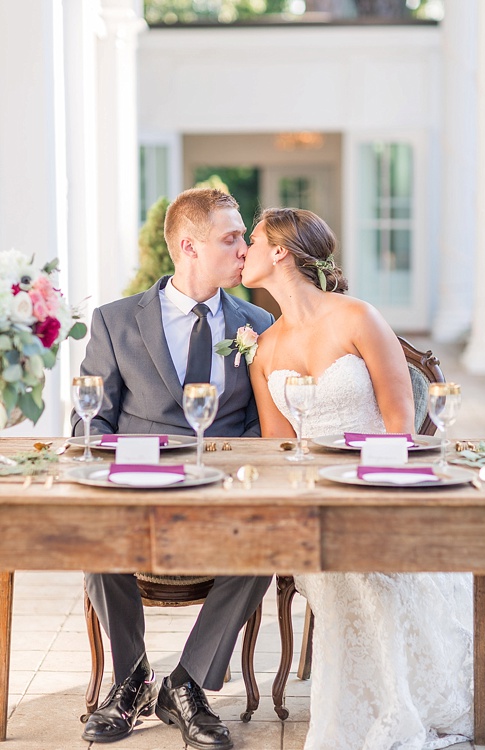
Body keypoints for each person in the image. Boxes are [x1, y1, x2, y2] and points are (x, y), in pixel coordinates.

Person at [242, 207, 485, 750]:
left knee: (379, 568)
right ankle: (383, 708)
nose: (244, 249)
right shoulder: (264, 349)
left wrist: (377, 496)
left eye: (253, 239)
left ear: (281, 252)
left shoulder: (358, 317)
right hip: (314, 509)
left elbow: (400, 419)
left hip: (381, 488)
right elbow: (278, 448)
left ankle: (420, 701)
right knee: (344, 574)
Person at [71, 188, 274, 749]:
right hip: (138, 495)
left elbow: (263, 424)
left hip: (224, 498)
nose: (244, 248)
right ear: (189, 246)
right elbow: (89, 422)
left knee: (269, 543)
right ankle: (132, 677)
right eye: (231, 238)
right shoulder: (115, 321)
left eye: (244, 237)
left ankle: (185, 685)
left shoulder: (255, 321)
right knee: (97, 536)